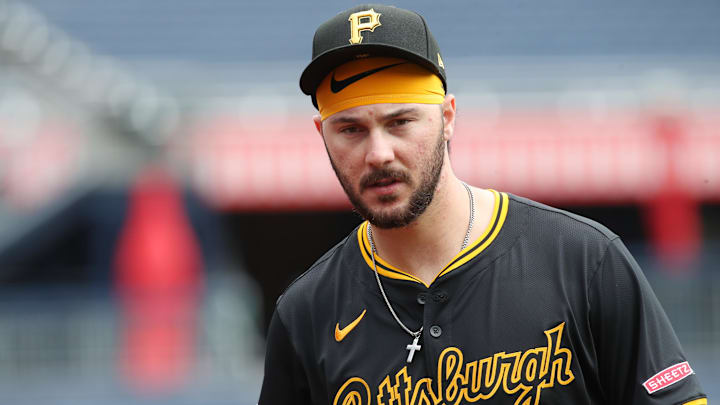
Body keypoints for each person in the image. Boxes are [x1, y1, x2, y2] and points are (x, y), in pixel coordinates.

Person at [259, 4, 707, 404]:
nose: (378, 153)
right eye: (350, 129)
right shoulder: (305, 314)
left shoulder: (584, 260)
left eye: (400, 122)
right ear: (322, 135)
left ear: (448, 118)